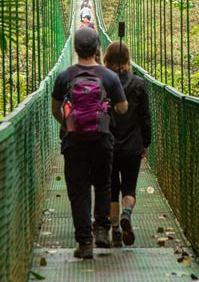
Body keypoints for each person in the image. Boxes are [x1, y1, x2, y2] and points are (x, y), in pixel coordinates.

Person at [51, 28, 128, 259]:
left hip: (74, 142)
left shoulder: (64, 77)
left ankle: (85, 243)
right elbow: (123, 108)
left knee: (79, 191)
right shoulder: (109, 77)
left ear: (74, 48)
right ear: (97, 48)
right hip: (102, 140)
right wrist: (108, 109)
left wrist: (69, 125)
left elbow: (55, 109)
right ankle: (102, 231)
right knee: (104, 185)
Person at [103, 40, 151, 247]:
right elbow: (145, 118)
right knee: (129, 187)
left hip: (109, 146)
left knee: (112, 188)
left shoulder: (103, 83)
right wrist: (145, 143)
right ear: (128, 59)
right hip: (133, 146)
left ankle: (114, 229)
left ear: (107, 59)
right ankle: (127, 213)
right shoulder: (139, 84)